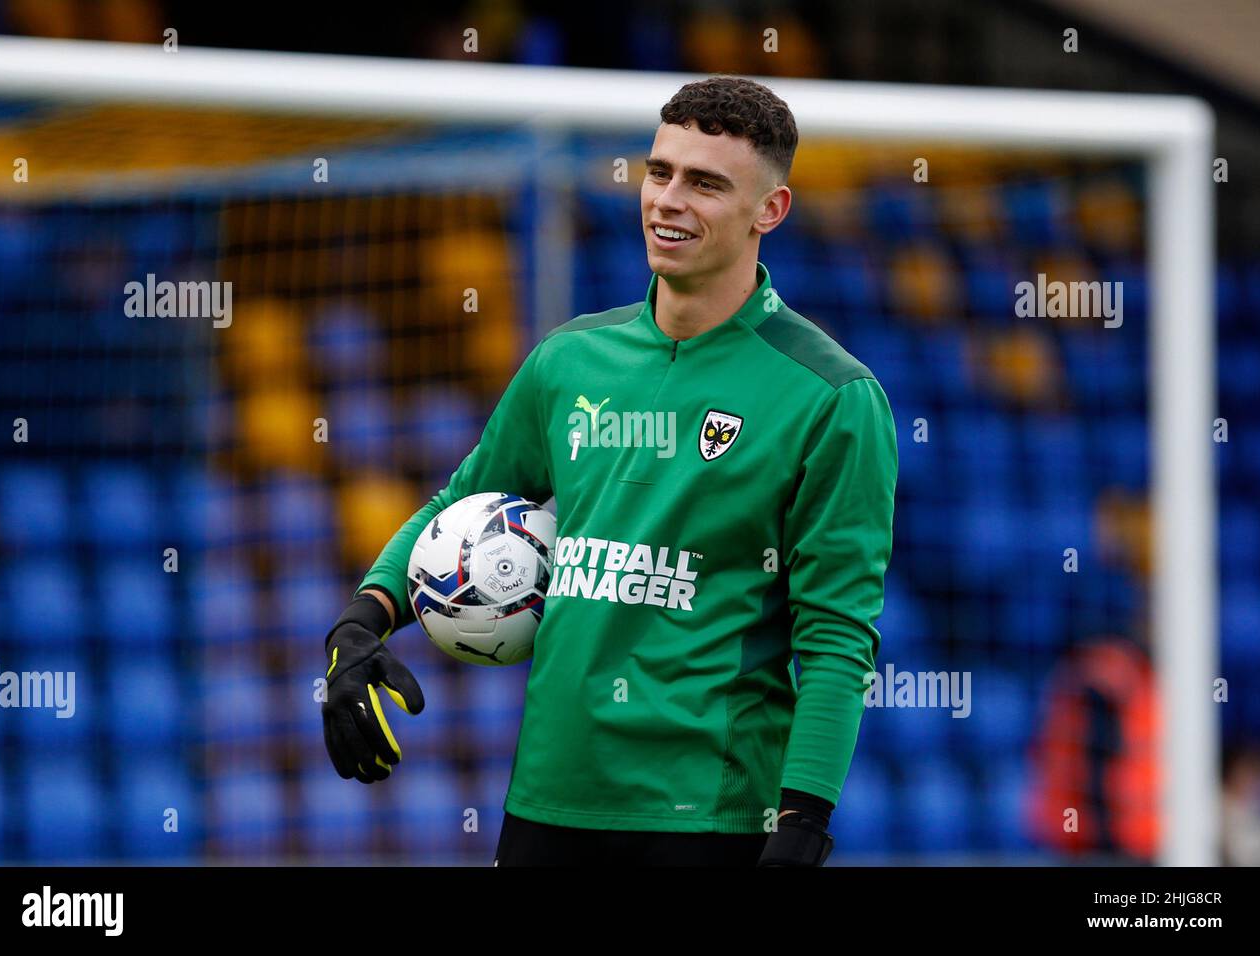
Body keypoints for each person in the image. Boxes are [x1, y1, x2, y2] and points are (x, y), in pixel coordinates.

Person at [321, 74, 898, 866]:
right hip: (547, 802)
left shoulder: (833, 397)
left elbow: (836, 635)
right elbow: (460, 500)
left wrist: (803, 821)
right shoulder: (569, 360)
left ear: (770, 209)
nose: (668, 200)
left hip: (710, 818)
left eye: (705, 183)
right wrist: (362, 621)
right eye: (659, 172)